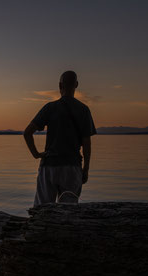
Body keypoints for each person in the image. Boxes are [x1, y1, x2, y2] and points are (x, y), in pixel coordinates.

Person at [23, 70, 96, 206]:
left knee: (41, 211)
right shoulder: (83, 110)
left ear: (59, 85)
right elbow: (87, 144)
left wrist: (36, 154)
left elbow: (27, 133)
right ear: (77, 85)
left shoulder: (50, 108)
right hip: (72, 168)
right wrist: (85, 169)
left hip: (49, 166)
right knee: (68, 213)